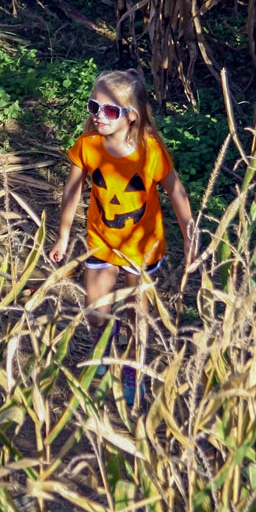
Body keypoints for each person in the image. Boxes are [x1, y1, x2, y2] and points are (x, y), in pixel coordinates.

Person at [49, 69, 194, 403]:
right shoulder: (88, 147)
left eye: (110, 110)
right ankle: (104, 339)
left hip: (143, 249)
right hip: (101, 242)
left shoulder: (151, 153)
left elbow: (176, 192)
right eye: (94, 107)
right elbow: (72, 192)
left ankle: (133, 366)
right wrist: (64, 234)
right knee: (96, 309)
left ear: (131, 117)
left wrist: (189, 236)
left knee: (136, 314)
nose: (99, 116)